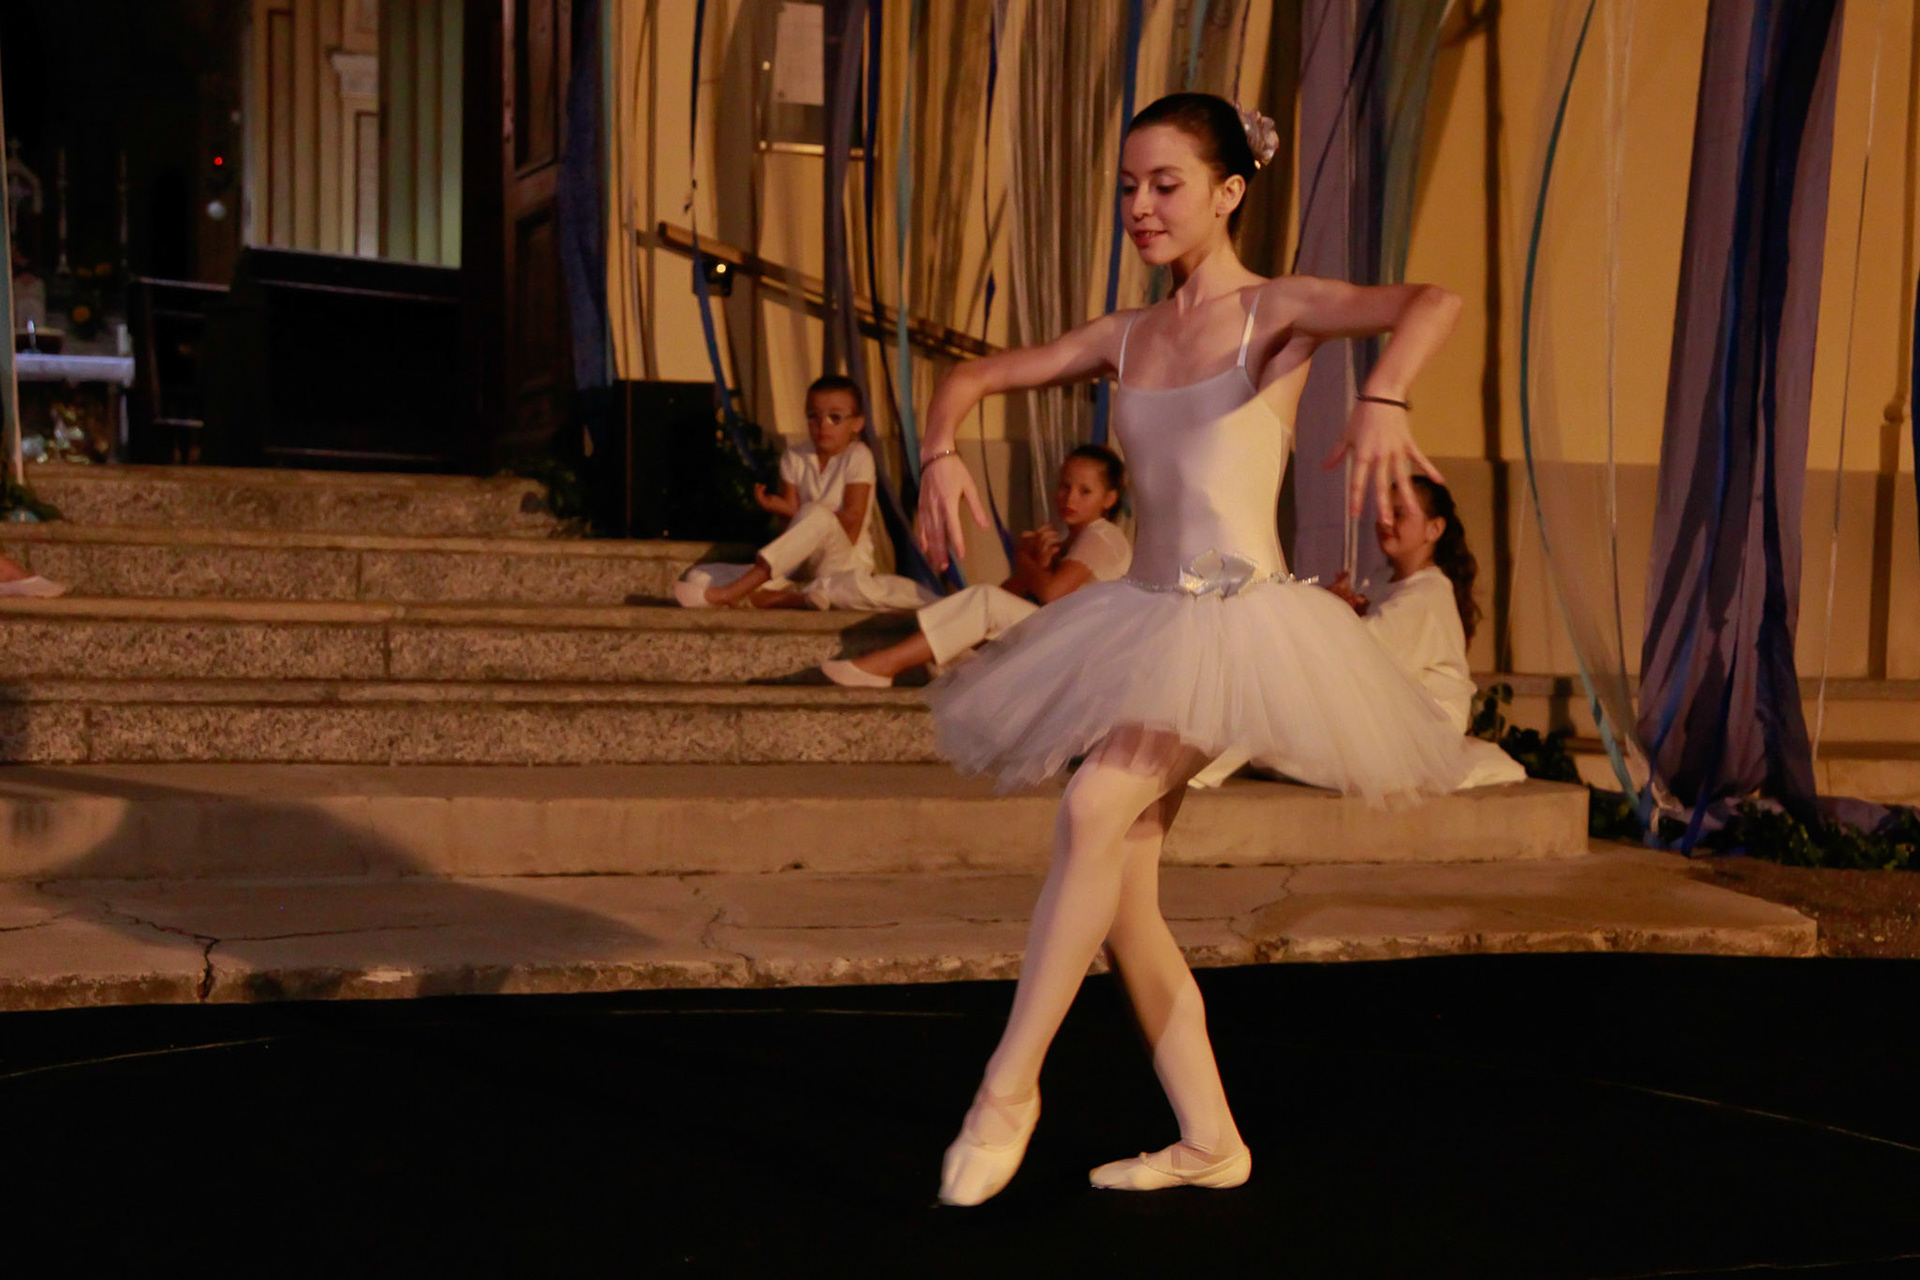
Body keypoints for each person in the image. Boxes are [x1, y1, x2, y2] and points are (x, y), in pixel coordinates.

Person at [911, 93, 1468, 1206]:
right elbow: (969, 377)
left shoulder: (1276, 312)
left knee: (1092, 808)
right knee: (1123, 895)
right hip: (1147, 610)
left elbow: (1432, 300)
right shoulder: (1125, 335)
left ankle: (1007, 1090)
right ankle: (1211, 1138)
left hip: (1236, 615)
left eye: (1166, 184)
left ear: (1228, 191)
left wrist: (1386, 393)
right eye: (1129, 186)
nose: (1141, 205)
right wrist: (938, 450)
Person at [1189, 474, 1523, 789]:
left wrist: (1330, 613)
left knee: (1281, 716)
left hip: (1421, 729)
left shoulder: (1428, 595)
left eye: (1399, 514)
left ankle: (1199, 763)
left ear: (1433, 529)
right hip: (1389, 708)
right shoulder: (1382, 579)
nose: (1385, 522)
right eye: (1383, 513)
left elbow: (1365, 653)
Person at [818, 445, 1131, 687]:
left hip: (1084, 652)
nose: (1070, 498)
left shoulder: (1101, 535)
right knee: (975, 604)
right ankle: (904, 662)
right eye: (1064, 486)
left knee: (984, 602)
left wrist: (1025, 561)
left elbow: (1051, 594)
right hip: (1061, 641)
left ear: (1109, 499)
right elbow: (1010, 594)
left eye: (1085, 491)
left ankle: (884, 665)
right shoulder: (1066, 537)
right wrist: (1035, 564)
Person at [674, 375, 931, 612]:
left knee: (826, 534)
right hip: (797, 569)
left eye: (835, 418)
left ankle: (736, 593)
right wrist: (784, 513)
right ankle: (793, 597)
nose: (822, 425)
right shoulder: (795, 456)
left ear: (857, 423)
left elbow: (852, 523)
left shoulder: (858, 455)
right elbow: (789, 532)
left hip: (841, 563)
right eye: (813, 416)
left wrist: (797, 512)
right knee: (699, 576)